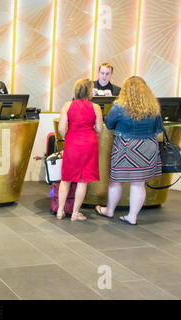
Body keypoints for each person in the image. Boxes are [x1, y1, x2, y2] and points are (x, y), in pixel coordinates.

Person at [95, 76, 163, 225]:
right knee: (138, 183)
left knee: (116, 181)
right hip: (147, 148)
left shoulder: (119, 106)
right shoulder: (153, 107)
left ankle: (109, 211)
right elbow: (159, 128)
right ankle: (132, 217)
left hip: (126, 148)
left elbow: (110, 124)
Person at [57, 79, 103, 221]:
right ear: (89, 92)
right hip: (89, 143)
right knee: (83, 180)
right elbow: (100, 129)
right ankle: (75, 213)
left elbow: (60, 128)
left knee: (66, 179)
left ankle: (60, 211)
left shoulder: (67, 105)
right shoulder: (96, 107)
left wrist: (69, 136)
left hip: (72, 143)